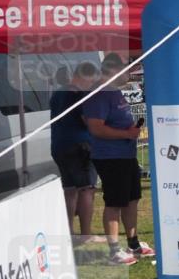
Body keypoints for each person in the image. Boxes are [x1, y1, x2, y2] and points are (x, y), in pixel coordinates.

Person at [83, 53, 154, 265]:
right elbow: (95, 128)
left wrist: (130, 132)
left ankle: (133, 244)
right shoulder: (100, 93)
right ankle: (114, 250)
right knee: (114, 202)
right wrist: (126, 134)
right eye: (127, 67)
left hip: (126, 155)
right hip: (110, 157)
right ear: (114, 70)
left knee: (132, 200)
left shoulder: (114, 92)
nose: (130, 72)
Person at [50, 62, 103, 244]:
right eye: (91, 81)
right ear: (84, 77)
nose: (92, 85)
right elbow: (87, 120)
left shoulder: (57, 93)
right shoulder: (80, 95)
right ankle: (86, 234)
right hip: (80, 146)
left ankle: (69, 232)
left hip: (59, 146)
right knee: (87, 189)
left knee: (70, 190)